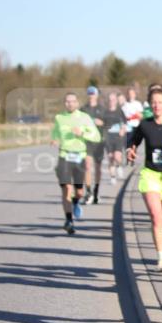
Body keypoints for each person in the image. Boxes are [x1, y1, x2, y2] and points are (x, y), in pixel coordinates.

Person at [127, 87, 162, 273]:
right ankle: (161, 257)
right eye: (153, 103)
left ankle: (161, 234)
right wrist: (131, 149)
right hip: (151, 174)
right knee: (156, 217)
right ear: (149, 105)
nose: (157, 106)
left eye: (160, 102)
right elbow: (133, 140)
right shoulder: (145, 125)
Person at [51, 93, 101, 234]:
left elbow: (97, 136)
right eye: (67, 101)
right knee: (66, 189)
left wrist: (82, 134)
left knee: (79, 192)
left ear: (77, 103)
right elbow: (55, 132)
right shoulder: (59, 118)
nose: (70, 104)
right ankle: (69, 220)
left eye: (72, 101)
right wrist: (54, 139)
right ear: (64, 103)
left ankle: (76, 202)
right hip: (64, 155)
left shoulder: (84, 118)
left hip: (79, 156)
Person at [82, 86, 105, 203]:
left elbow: (108, 124)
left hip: (99, 142)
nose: (91, 96)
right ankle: (88, 192)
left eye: (93, 94)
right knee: (87, 166)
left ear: (97, 95)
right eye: (89, 94)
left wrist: (102, 123)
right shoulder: (83, 109)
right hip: (87, 141)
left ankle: (96, 192)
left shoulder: (102, 109)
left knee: (98, 168)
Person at [102, 92, 127, 184]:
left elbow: (124, 123)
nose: (111, 101)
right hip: (108, 138)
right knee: (110, 157)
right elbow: (102, 124)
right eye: (110, 100)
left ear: (116, 101)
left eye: (113, 100)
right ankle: (112, 177)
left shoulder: (120, 111)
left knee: (117, 156)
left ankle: (119, 166)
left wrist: (122, 130)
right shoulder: (104, 112)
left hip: (118, 137)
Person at [121, 87, 144, 179]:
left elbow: (141, 115)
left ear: (134, 94)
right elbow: (122, 116)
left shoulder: (138, 104)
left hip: (136, 125)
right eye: (129, 93)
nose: (130, 95)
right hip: (127, 126)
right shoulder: (125, 105)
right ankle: (128, 158)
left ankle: (132, 156)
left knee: (134, 143)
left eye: (132, 93)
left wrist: (134, 117)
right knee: (127, 143)